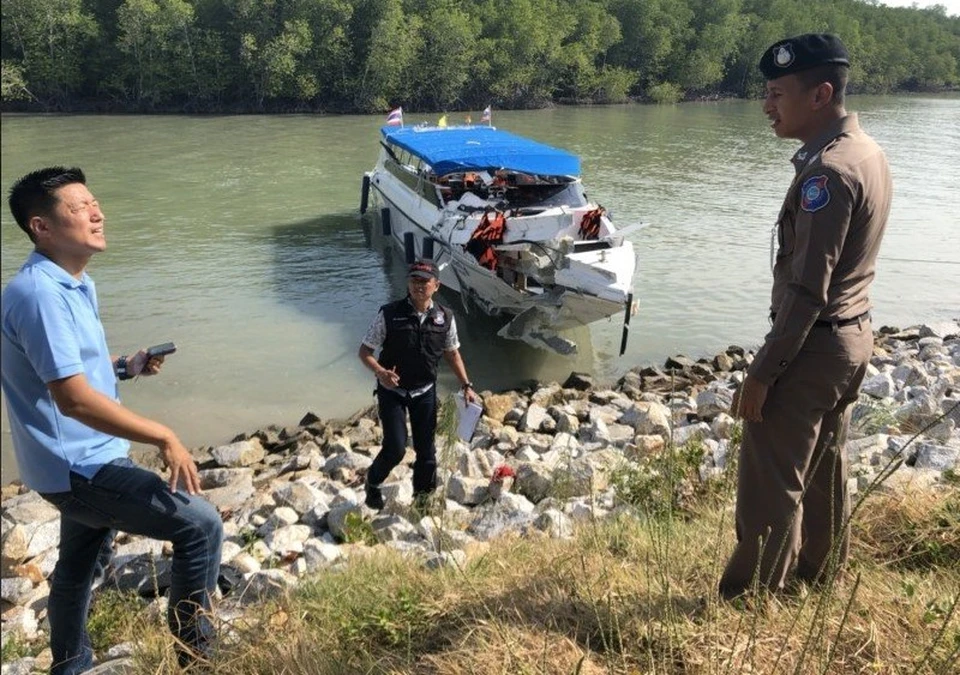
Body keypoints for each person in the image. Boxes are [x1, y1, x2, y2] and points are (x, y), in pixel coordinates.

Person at [0, 167, 223, 673]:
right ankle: (199, 658)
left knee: (79, 566)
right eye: (79, 208)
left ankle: (70, 664)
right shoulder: (38, 294)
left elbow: (67, 370)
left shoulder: (75, 284)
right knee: (200, 527)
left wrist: (126, 366)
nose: (97, 213)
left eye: (94, 202)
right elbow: (73, 399)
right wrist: (162, 433)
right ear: (42, 227)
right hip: (78, 466)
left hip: (74, 460)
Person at [719, 34, 892, 600]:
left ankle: (748, 601)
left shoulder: (829, 174)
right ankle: (816, 579)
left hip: (812, 345)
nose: (767, 105)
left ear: (820, 94)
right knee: (822, 471)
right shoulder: (865, 150)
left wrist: (764, 371)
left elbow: (806, 289)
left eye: (776, 93)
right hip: (851, 336)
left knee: (771, 481)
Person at [358, 259, 476, 510]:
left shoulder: (445, 317)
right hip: (393, 391)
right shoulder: (389, 314)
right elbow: (365, 351)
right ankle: (373, 482)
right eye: (414, 280)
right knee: (396, 449)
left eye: (424, 281)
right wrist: (381, 372)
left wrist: (466, 385)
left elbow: (452, 353)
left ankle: (422, 501)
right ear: (408, 283)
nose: (418, 285)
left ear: (436, 285)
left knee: (427, 452)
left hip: (425, 392)